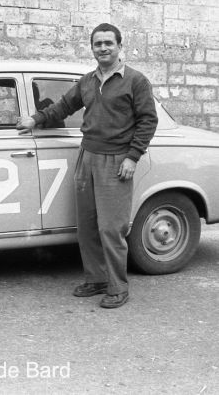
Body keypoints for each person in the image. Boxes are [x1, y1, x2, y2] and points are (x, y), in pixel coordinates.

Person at [17, 23, 158, 308]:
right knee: (87, 226)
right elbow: (63, 106)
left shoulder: (136, 81)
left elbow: (147, 120)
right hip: (87, 156)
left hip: (117, 160)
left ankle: (118, 287)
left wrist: (132, 157)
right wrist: (35, 119)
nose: (103, 48)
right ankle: (97, 279)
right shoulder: (87, 81)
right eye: (98, 44)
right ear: (92, 48)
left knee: (111, 228)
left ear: (119, 46)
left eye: (108, 43)